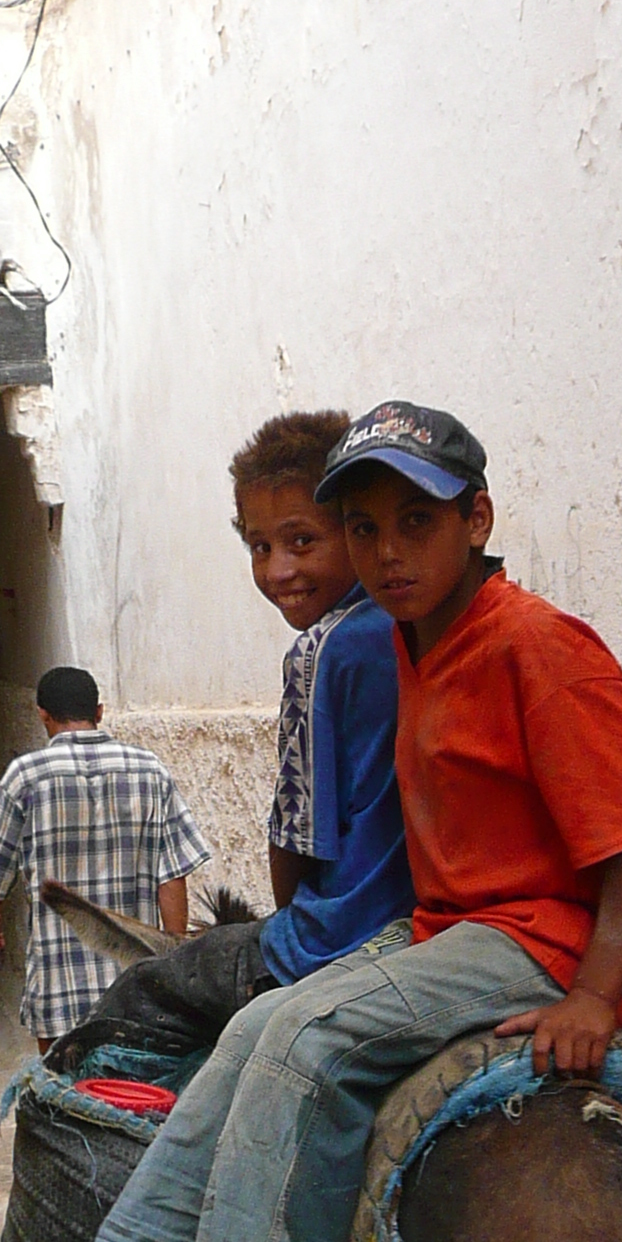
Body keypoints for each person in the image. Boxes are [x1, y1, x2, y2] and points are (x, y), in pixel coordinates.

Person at [34, 403, 622, 1242]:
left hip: (534, 941)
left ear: (474, 519)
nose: (386, 554)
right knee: (255, 1027)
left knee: (307, 1039)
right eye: (365, 531)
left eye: (412, 525)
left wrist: (596, 997)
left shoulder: (537, 646)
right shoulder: (423, 642)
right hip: (447, 930)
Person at [231, 410, 414, 989]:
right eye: (260, 547)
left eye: (302, 541)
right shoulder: (412, 618)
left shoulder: (323, 649)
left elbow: (296, 832)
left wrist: (286, 947)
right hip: (424, 917)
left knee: (149, 987)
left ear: (357, 530)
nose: (278, 571)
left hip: (342, 930)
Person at [0, 666, 209, 1052]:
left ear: (43, 714)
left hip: (59, 982)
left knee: (63, 1096)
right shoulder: (150, 771)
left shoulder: (24, 776)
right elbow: (173, 875)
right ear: (100, 711)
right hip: (135, 985)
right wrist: (173, 960)